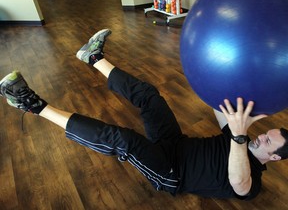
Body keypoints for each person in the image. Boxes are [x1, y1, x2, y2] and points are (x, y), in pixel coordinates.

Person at [1, 29, 288, 200]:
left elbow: (238, 183)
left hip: (170, 173)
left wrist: (239, 136)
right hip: (174, 143)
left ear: (274, 157)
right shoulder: (238, 139)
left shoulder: (253, 183)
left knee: (123, 140)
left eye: (266, 142)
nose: (260, 137)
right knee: (151, 98)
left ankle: (31, 104)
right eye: (265, 133)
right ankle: (93, 57)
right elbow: (219, 106)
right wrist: (216, 74)